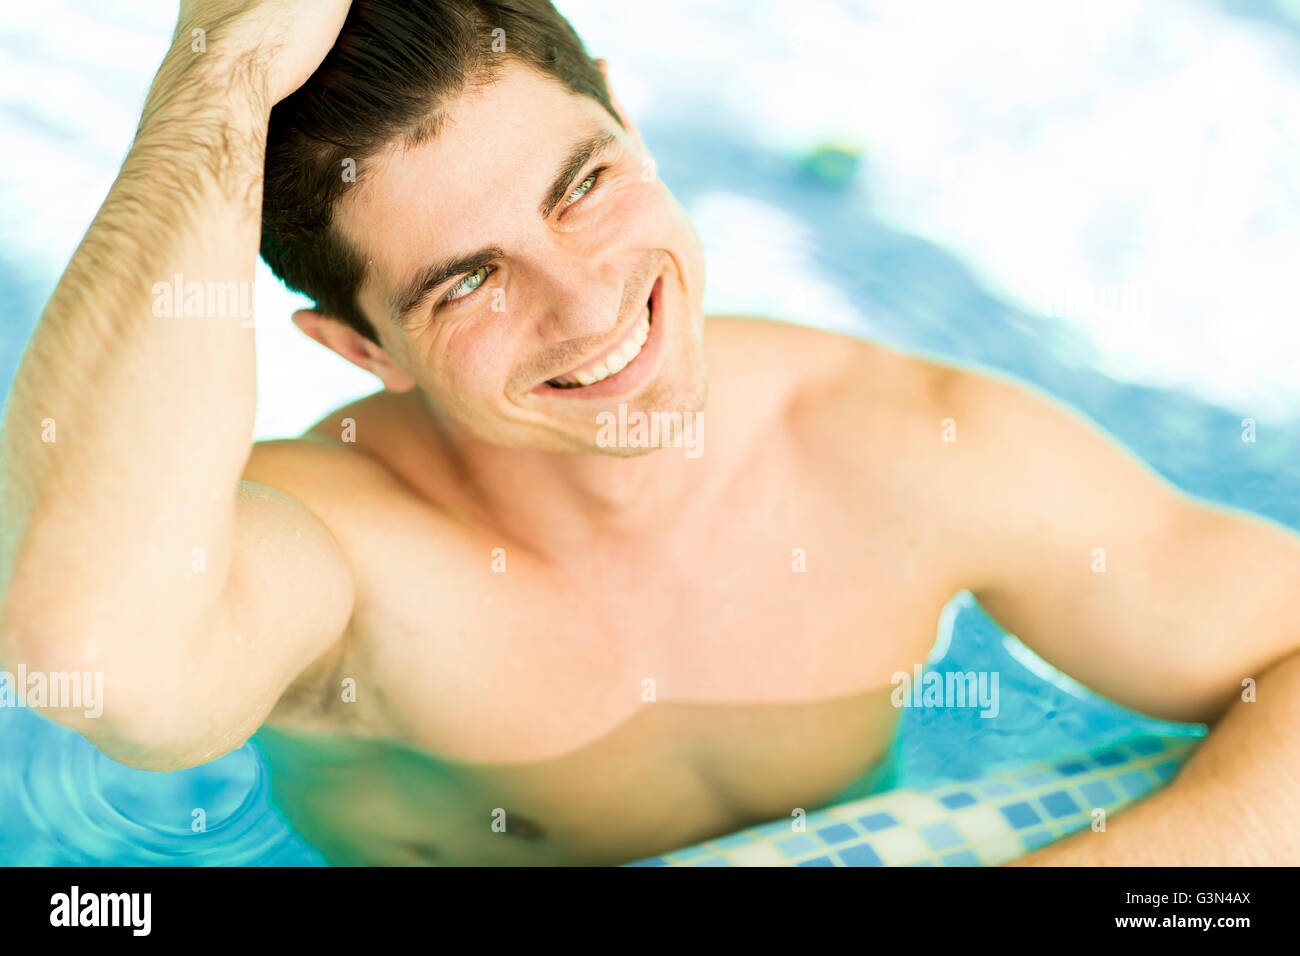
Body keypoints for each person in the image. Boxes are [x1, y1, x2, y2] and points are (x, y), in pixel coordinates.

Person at [2, 0, 1298, 866]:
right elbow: (96, 660)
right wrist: (215, 83)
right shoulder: (345, 557)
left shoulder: (905, 444)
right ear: (359, 351)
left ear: (627, 111)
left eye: (587, 186)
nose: (587, 307)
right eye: (468, 281)